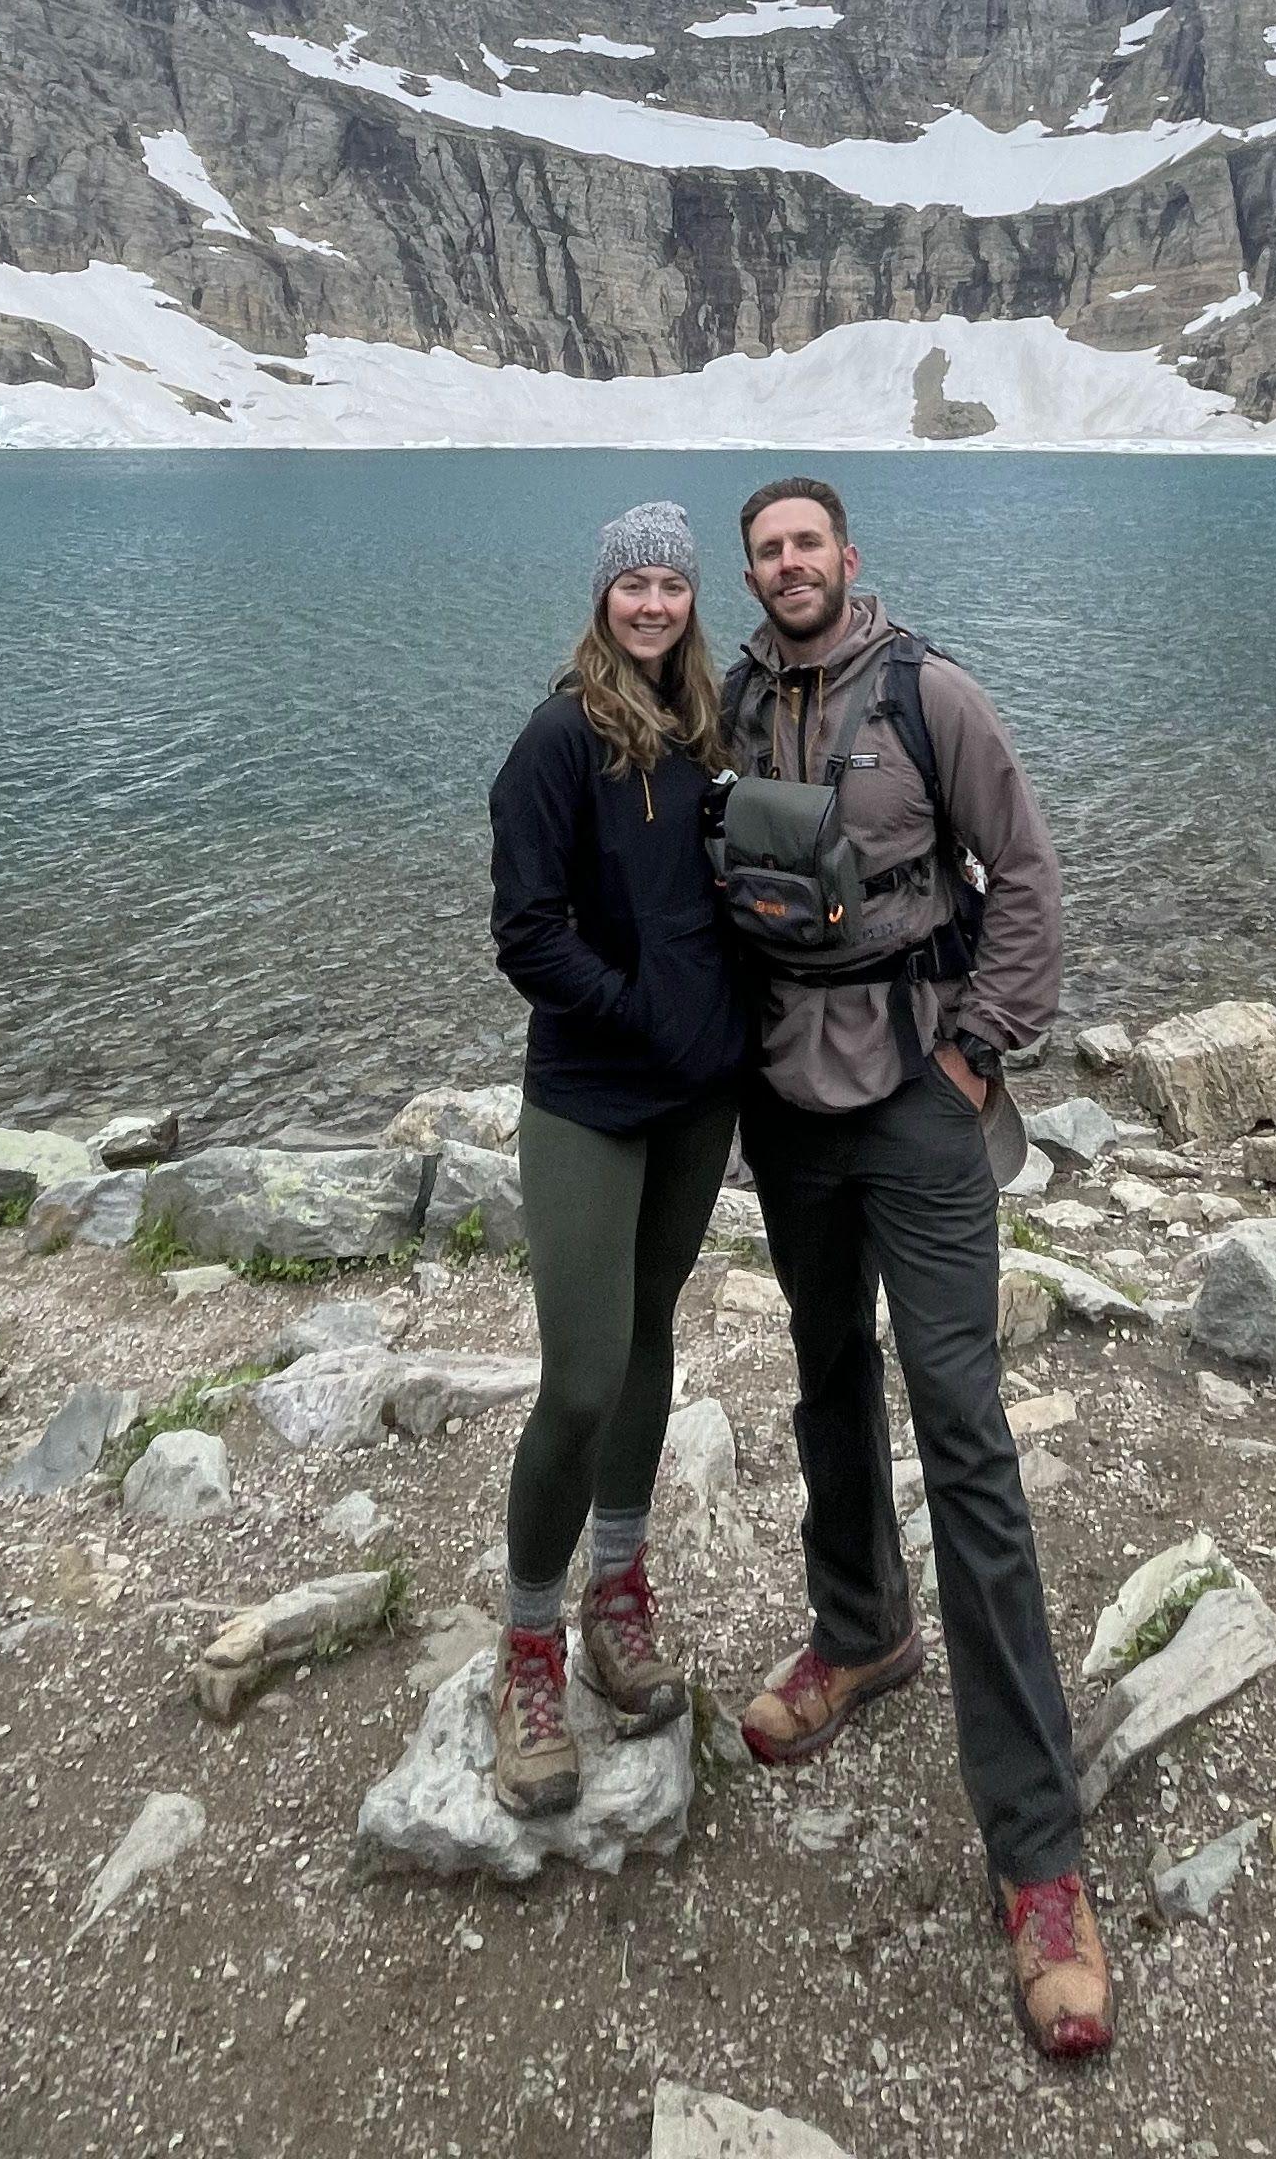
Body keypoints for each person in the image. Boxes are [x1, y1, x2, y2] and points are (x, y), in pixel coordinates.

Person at [714, 472, 1113, 2063]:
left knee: (967, 1435)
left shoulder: (929, 692)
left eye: (807, 543)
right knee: (822, 1380)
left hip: (918, 1105)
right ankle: (861, 1628)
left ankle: (1040, 1857)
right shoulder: (728, 703)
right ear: (750, 576)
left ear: (848, 561)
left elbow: (1024, 879)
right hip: (785, 1108)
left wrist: (975, 1058)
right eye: (765, 551)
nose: (788, 566)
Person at [481, 499, 758, 1817]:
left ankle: (621, 1596)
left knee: (651, 1340)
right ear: (602, 600)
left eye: (671, 584)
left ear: (690, 602)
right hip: (590, 1096)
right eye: (631, 584)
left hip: (697, 1098)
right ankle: (529, 1643)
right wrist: (639, 1006)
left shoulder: (712, 729)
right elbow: (525, 936)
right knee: (583, 1375)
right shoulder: (555, 741)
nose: (652, 602)